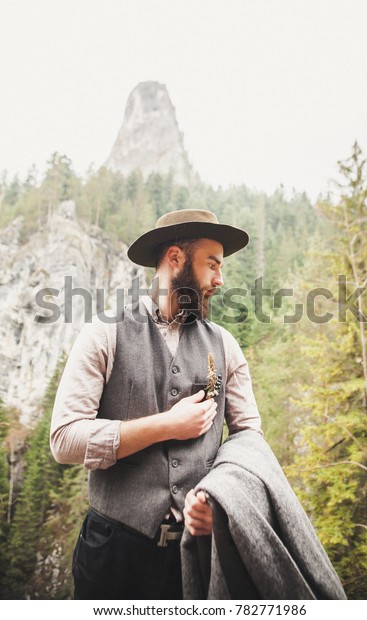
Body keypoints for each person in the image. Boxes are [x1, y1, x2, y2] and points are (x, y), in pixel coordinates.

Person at [50, 209, 262, 600]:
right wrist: (166, 425)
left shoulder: (226, 345)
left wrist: (220, 497)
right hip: (113, 553)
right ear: (176, 259)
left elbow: (249, 439)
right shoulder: (103, 333)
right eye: (212, 264)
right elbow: (64, 439)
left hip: (199, 553)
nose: (220, 278)